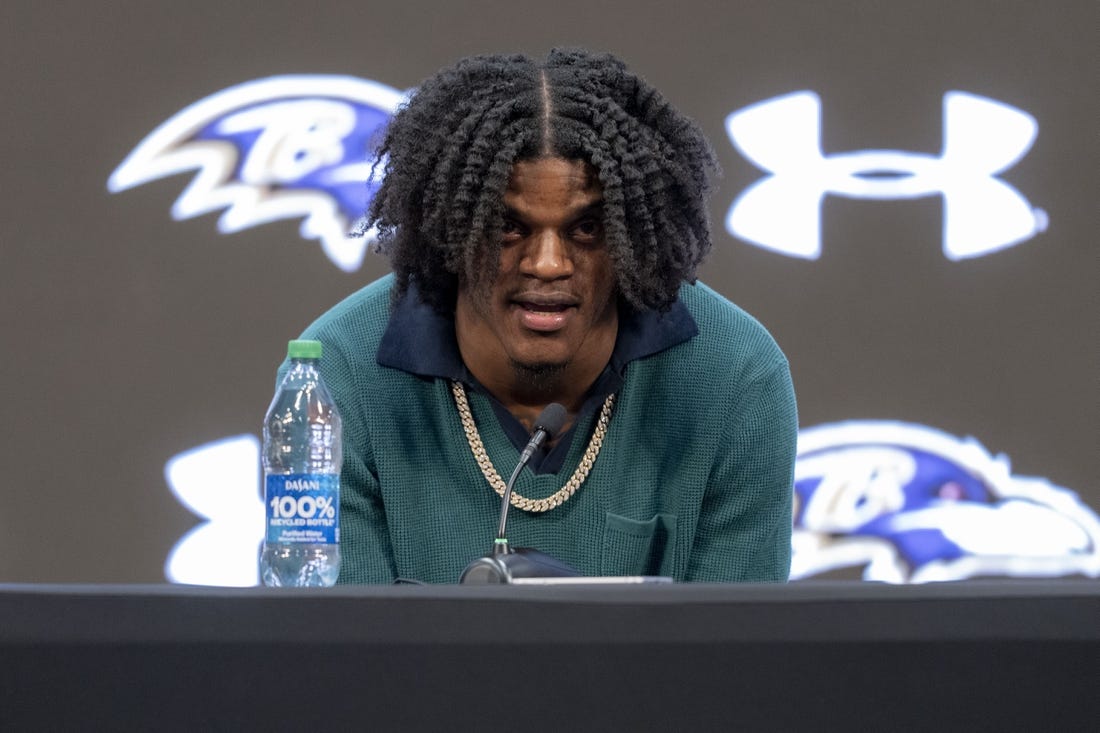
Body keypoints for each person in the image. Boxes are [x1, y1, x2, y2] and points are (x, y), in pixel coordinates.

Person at [284, 48, 798, 584]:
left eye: (587, 229)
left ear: (633, 238)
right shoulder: (333, 379)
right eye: (508, 227)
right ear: (450, 230)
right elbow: (339, 650)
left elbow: (738, 656)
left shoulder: (736, 374)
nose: (548, 264)